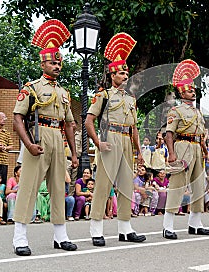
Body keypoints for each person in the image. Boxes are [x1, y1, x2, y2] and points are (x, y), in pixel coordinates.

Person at [11, 19, 78, 256]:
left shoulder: (63, 92)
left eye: (59, 62)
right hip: (38, 138)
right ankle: (19, 237)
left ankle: (61, 236)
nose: (57, 65)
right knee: (29, 187)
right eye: (53, 62)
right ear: (43, 63)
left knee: (59, 188)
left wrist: (74, 152)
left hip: (57, 139)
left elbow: (69, 123)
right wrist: (28, 144)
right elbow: (17, 118)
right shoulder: (32, 87)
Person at [85, 32, 146, 246]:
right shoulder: (104, 95)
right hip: (109, 138)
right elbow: (89, 121)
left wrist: (138, 152)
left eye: (126, 72)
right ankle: (96, 230)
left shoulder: (131, 99)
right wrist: (97, 143)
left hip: (126, 140)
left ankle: (125, 228)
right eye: (121, 73)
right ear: (112, 76)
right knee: (103, 185)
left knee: (126, 185)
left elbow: (134, 128)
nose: (124, 76)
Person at [162, 59, 209, 240]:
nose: (193, 91)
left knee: (199, 186)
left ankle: (195, 223)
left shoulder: (198, 112)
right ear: (182, 92)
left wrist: (205, 149)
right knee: (177, 185)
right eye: (189, 89)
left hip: (197, 147)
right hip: (182, 146)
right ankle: (168, 225)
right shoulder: (176, 111)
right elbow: (169, 133)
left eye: (193, 89)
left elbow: (201, 133)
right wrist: (172, 153)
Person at [65, 120, 82, 197]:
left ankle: (70, 196)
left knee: (73, 180)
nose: (72, 125)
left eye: (73, 124)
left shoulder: (79, 134)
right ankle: (64, 195)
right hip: (67, 159)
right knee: (66, 178)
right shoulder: (65, 133)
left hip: (76, 159)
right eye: (70, 124)